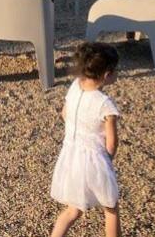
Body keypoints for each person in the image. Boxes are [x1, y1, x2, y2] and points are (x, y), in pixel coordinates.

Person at [50, 42, 122, 237]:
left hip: (71, 155)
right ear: (107, 74)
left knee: (73, 210)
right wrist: (107, 159)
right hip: (95, 160)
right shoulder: (105, 105)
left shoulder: (74, 87)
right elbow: (112, 143)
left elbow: (64, 113)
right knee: (111, 207)